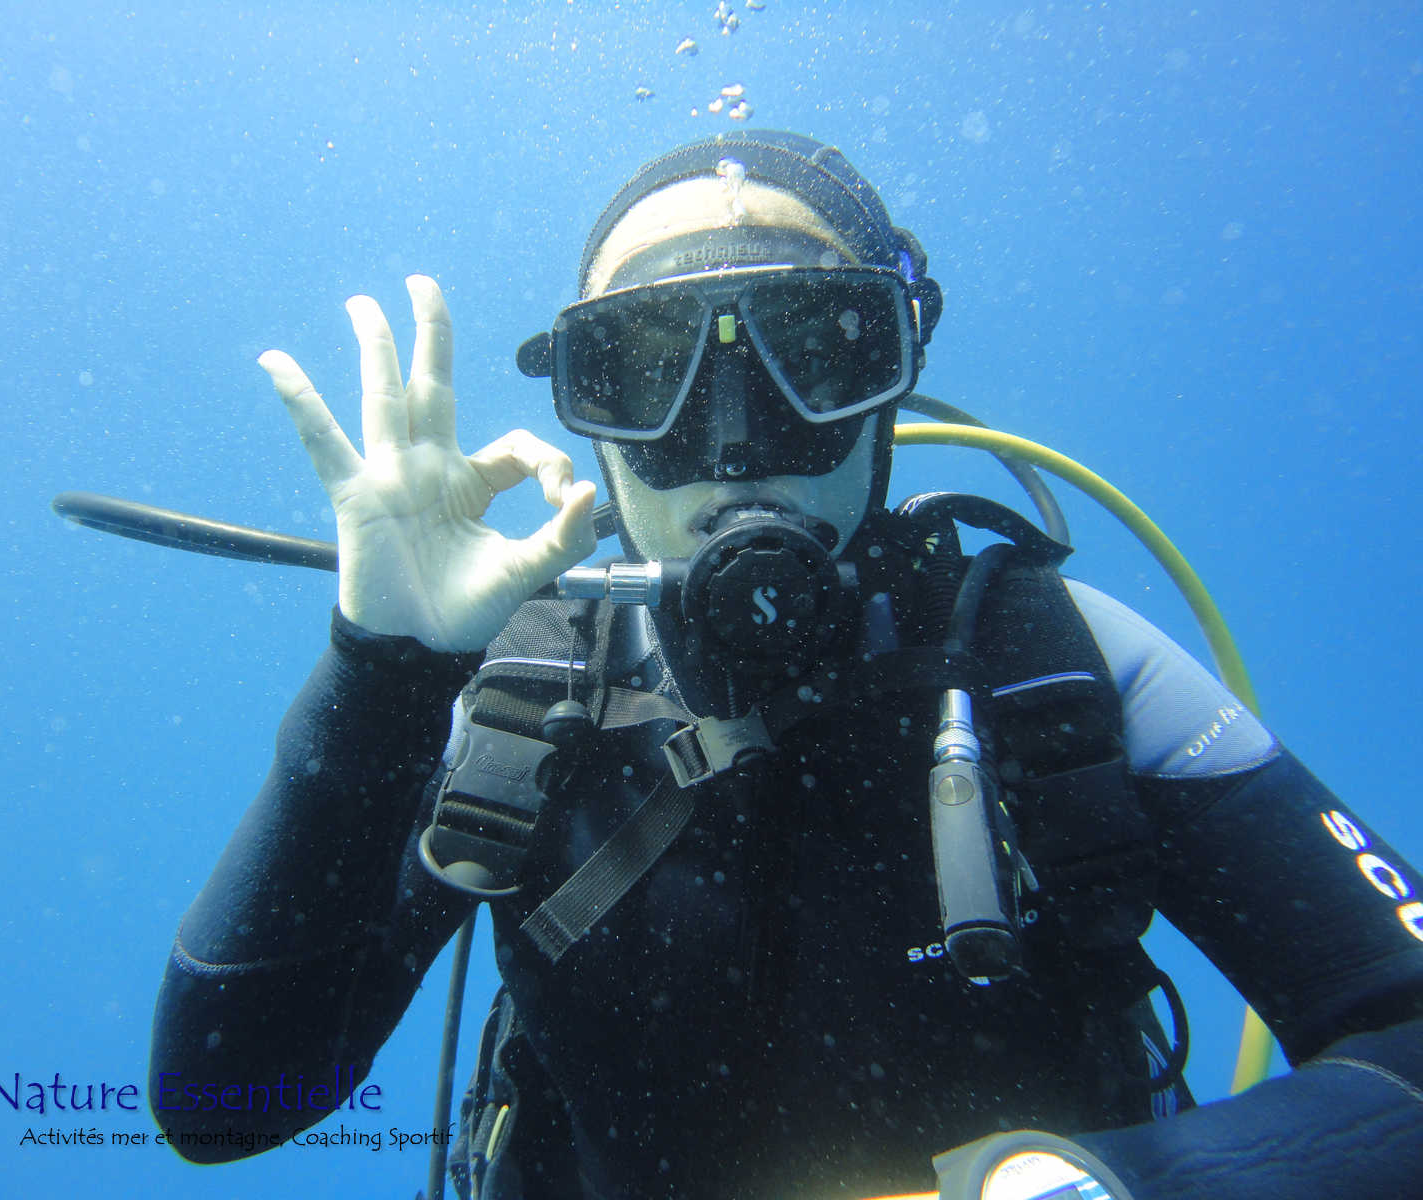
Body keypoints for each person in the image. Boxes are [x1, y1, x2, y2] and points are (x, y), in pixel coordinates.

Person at [148, 131, 1423, 1199]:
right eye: (646, 372)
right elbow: (219, 1100)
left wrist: (1106, 1188)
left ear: (892, 381)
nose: (731, 440)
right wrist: (380, 674)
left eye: (814, 351)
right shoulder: (512, 701)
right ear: (587, 418)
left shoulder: (1053, 663)